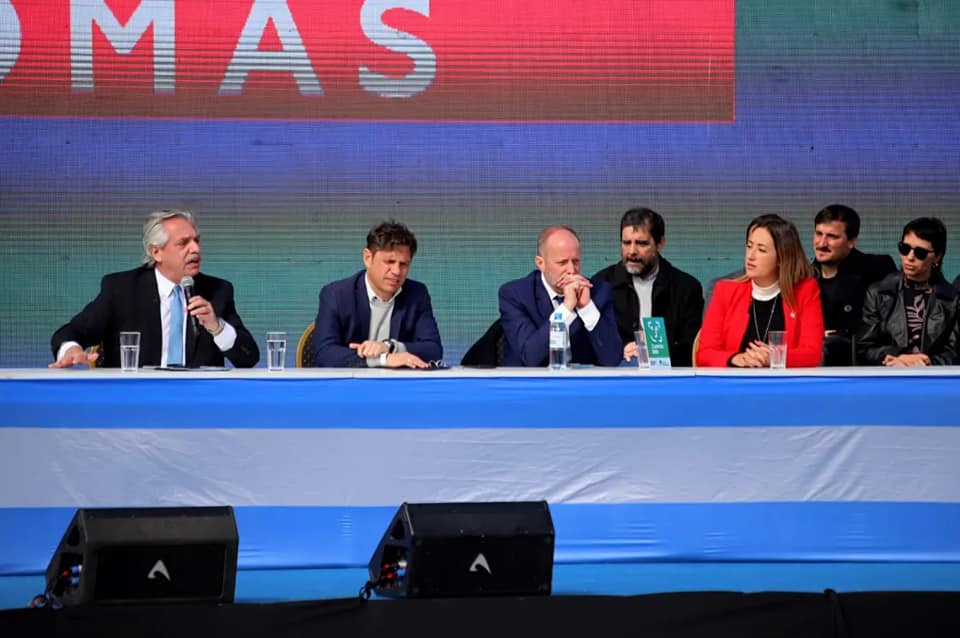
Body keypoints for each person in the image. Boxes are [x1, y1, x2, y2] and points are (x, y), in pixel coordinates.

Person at [50, 210, 259, 368]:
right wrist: (72, 349)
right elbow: (69, 333)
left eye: (196, 241)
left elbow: (248, 357)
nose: (195, 249)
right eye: (183, 243)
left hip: (197, 404)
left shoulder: (217, 290)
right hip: (133, 401)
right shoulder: (122, 289)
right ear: (157, 252)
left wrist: (217, 327)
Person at [696, 214, 824, 367]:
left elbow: (813, 354)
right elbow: (704, 353)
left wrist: (775, 357)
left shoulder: (805, 291)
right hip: (736, 386)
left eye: (761, 250)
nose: (751, 256)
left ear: (782, 257)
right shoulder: (725, 290)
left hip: (785, 387)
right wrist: (735, 358)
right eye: (749, 246)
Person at [313, 221, 442, 368]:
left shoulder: (417, 294)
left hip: (398, 387)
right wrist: (384, 360)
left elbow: (433, 349)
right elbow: (324, 354)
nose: (396, 271)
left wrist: (390, 347)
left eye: (403, 264)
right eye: (389, 261)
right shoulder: (336, 295)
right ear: (368, 258)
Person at [593, 207, 703, 366]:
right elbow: (594, 341)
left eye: (641, 243)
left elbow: (692, 348)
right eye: (626, 243)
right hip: (618, 371)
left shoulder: (686, 288)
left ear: (660, 244)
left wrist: (655, 349)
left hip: (669, 377)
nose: (632, 251)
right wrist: (623, 349)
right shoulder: (603, 284)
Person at [499, 226, 621, 367]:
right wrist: (566, 308)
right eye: (562, 263)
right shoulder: (515, 294)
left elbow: (612, 359)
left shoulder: (599, 292)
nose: (571, 270)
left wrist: (587, 308)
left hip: (582, 385)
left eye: (575, 261)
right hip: (533, 385)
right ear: (541, 263)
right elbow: (530, 356)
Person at [857, 217, 959, 366]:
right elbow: (864, 347)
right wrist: (896, 356)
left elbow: (954, 352)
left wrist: (927, 361)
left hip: (934, 378)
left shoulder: (954, 299)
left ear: (937, 256)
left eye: (920, 253)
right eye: (904, 249)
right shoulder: (878, 293)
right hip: (889, 374)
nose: (909, 257)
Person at [811, 204, 897, 365]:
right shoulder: (803, 277)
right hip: (819, 368)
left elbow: (892, 326)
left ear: (851, 241)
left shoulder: (877, 269)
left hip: (866, 365)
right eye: (818, 234)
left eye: (832, 236)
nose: (821, 243)